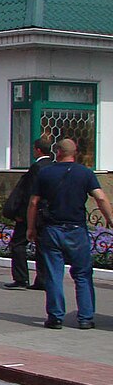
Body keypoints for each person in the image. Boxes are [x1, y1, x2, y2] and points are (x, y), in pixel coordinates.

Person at [27, 138, 113, 329]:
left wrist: (31, 228)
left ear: (57, 152)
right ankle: (85, 318)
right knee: (82, 274)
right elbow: (100, 197)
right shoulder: (85, 173)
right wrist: (110, 219)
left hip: (52, 229)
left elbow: (33, 203)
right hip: (76, 230)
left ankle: (56, 317)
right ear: (75, 153)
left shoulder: (46, 173)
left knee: (54, 274)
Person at [4, 138, 53, 289]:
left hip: (31, 213)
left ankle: (21, 278)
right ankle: (42, 280)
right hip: (47, 212)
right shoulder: (53, 166)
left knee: (18, 244)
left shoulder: (37, 168)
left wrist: (20, 213)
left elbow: (29, 194)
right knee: (42, 247)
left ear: (38, 150)